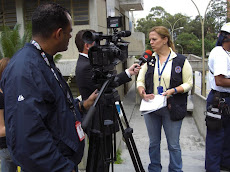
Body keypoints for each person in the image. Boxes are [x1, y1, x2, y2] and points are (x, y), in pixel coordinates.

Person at [0, 3, 98, 172]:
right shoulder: (25, 70)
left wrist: (81, 105)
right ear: (58, 33)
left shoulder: (44, 60)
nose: (70, 37)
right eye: (69, 32)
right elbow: (28, 140)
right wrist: (63, 168)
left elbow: (54, 108)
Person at [74, 29, 141, 171]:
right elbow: (105, 86)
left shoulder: (89, 63)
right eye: (96, 45)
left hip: (103, 117)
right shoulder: (85, 66)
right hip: (97, 119)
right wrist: (127, 73)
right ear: (87, 45)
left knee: (104, 158)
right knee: (99, 162)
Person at [137, 26, 193, 172]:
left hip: (172, 107)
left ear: (165, 40)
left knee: (173, 144)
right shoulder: (149, 60)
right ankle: (154, 169)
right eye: (150, 40)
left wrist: (174, 90)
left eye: (154, 39)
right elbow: (140, 80)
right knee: (153, 143)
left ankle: (175, 169)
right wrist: (142, 91)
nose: (151, 43)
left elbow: (189, 83)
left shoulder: (180, 60)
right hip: (151, 107)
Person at [205, 22, 230, 172]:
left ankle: (225, 164)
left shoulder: (227, 53)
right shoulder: (219, 53)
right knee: (216, 137)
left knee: (227, 136)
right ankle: (213, 168)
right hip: (219, 100)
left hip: (226, 98)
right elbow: (220, 80)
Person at [0, 57, 17, 172]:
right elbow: (1, 130)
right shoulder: (1, 97)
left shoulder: (9, 93)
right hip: (6, 146)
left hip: (13, 144)